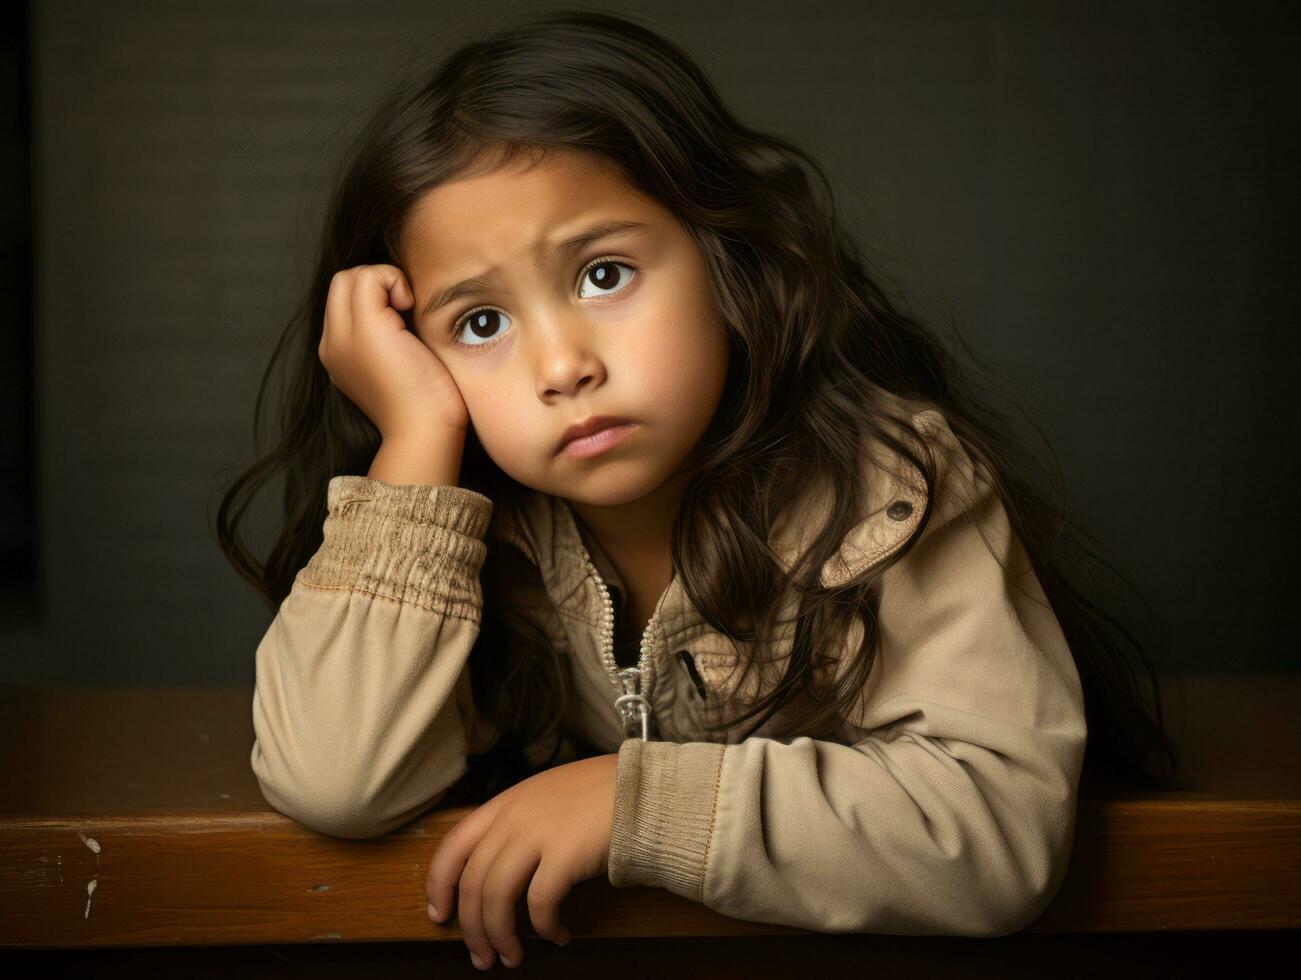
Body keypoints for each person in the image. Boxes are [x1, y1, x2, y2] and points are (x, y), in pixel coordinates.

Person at [216, 7, 1177, 970]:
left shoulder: (881, 485)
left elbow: (995, 838)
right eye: (478, 325)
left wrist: (631, 801)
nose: (561, 364)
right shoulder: (481, 528)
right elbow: (336, 780)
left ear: (727, 257)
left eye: (602, 273)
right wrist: (417, 438)